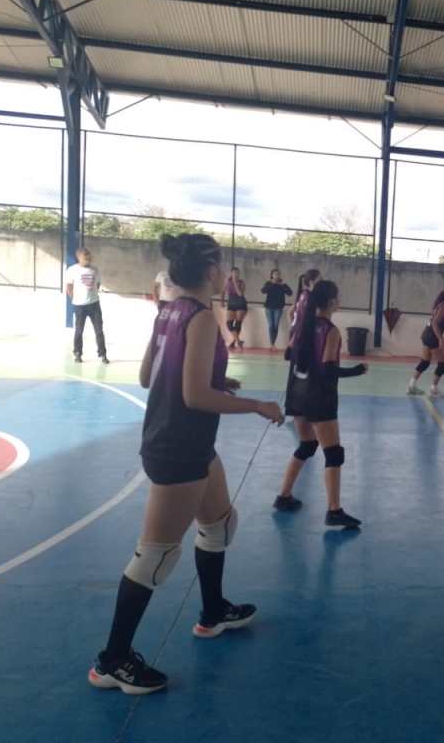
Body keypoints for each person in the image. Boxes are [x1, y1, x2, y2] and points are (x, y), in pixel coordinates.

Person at [88, 233, 283, 696]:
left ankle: (213, 613)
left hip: (190, 443)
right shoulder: (202, 319)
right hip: (178, 446)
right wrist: (257, 405)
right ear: (212, 271)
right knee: (155, 556)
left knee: (219, 524)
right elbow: (194, 396)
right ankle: (112, 661)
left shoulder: (168, 311)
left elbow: (148, 376)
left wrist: (218, 379)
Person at [274, 280, 366, 529]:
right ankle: (334, 510)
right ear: (332, 302)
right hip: (319, 398)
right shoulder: (330, 331)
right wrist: (357, 370)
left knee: (306, 445)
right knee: (333, 453)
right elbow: (328, 370)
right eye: (338, 297)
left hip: (296, 395)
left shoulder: (302, 327)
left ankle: (284, 496)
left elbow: (288, 354)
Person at [408, 286, 444, 398]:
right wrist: (441, 339)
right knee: (442, 365)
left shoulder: (443, 306)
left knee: (425, 362)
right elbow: (435, 323)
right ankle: (434, 389)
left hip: (427, 334)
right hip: (432, 336)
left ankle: (411, 386)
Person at [66, 247, 109, 364]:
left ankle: (103, 354)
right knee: (79, 331)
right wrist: (75, 298)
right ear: (79, 257)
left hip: (94, 305)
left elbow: (97, 284)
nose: (88, 258)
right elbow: (69, 287)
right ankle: (78, 353)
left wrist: (92, 296)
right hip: (79, 306)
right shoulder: (72, 270)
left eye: (89, 255)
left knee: (99, 330)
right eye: (85, 256)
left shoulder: (95, 269)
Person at [261, 269, 292, 351]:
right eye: (275, 274)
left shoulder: (283, 284)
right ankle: (272, 344)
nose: (276, 276)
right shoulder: (269, 283)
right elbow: (263, 291)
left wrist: (282, 285)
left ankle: (272, 344)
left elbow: (290, 293)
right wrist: (271, 284)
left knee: (275, 325)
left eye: (278, 274)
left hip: (278, 307)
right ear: (272, 275)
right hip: (269, 307)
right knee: (271, 326)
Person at [223, 267, 247, 350]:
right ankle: (238, 341)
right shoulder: (227, 282)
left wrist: (235, 283)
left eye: (237, 272)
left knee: (237, 323)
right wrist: (222, 302)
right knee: (229, 324)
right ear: (231, 273)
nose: (236, 274)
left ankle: (234, 342)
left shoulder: (241, 282)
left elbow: (240, 294)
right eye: (234, 272)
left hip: (240, 303)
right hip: (231, 303)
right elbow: (223, 291)